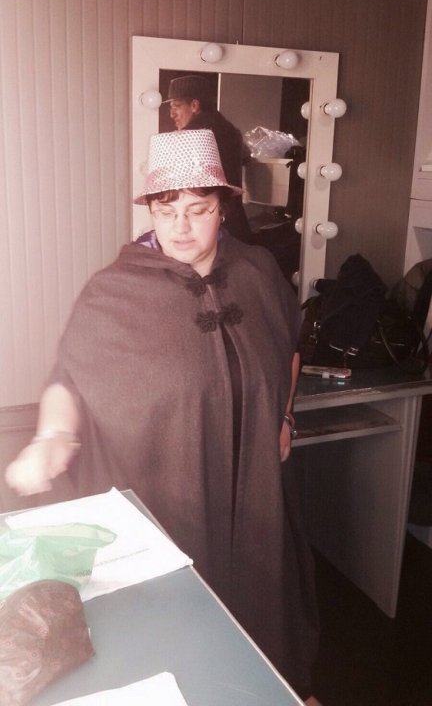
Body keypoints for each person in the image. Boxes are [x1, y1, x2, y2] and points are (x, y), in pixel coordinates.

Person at [6, 129, 320, 704]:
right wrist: (52, 435)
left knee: (257, 629)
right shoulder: (114, 292)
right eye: (166, 209)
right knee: (179, 634)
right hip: (171, 493)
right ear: (150, 209)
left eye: (198, 210)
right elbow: (70, 377)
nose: (181, 227)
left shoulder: (257, 272)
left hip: (253, 487)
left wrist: (284, 416)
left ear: (224, 208)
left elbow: (289, 347)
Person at [164, 74, 254, 244]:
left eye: (176, 106)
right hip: (236, 225)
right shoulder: (231, 130)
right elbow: (246, 157)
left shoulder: (191, 136)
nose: (172, 114)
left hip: (207, 226)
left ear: (194, 105)